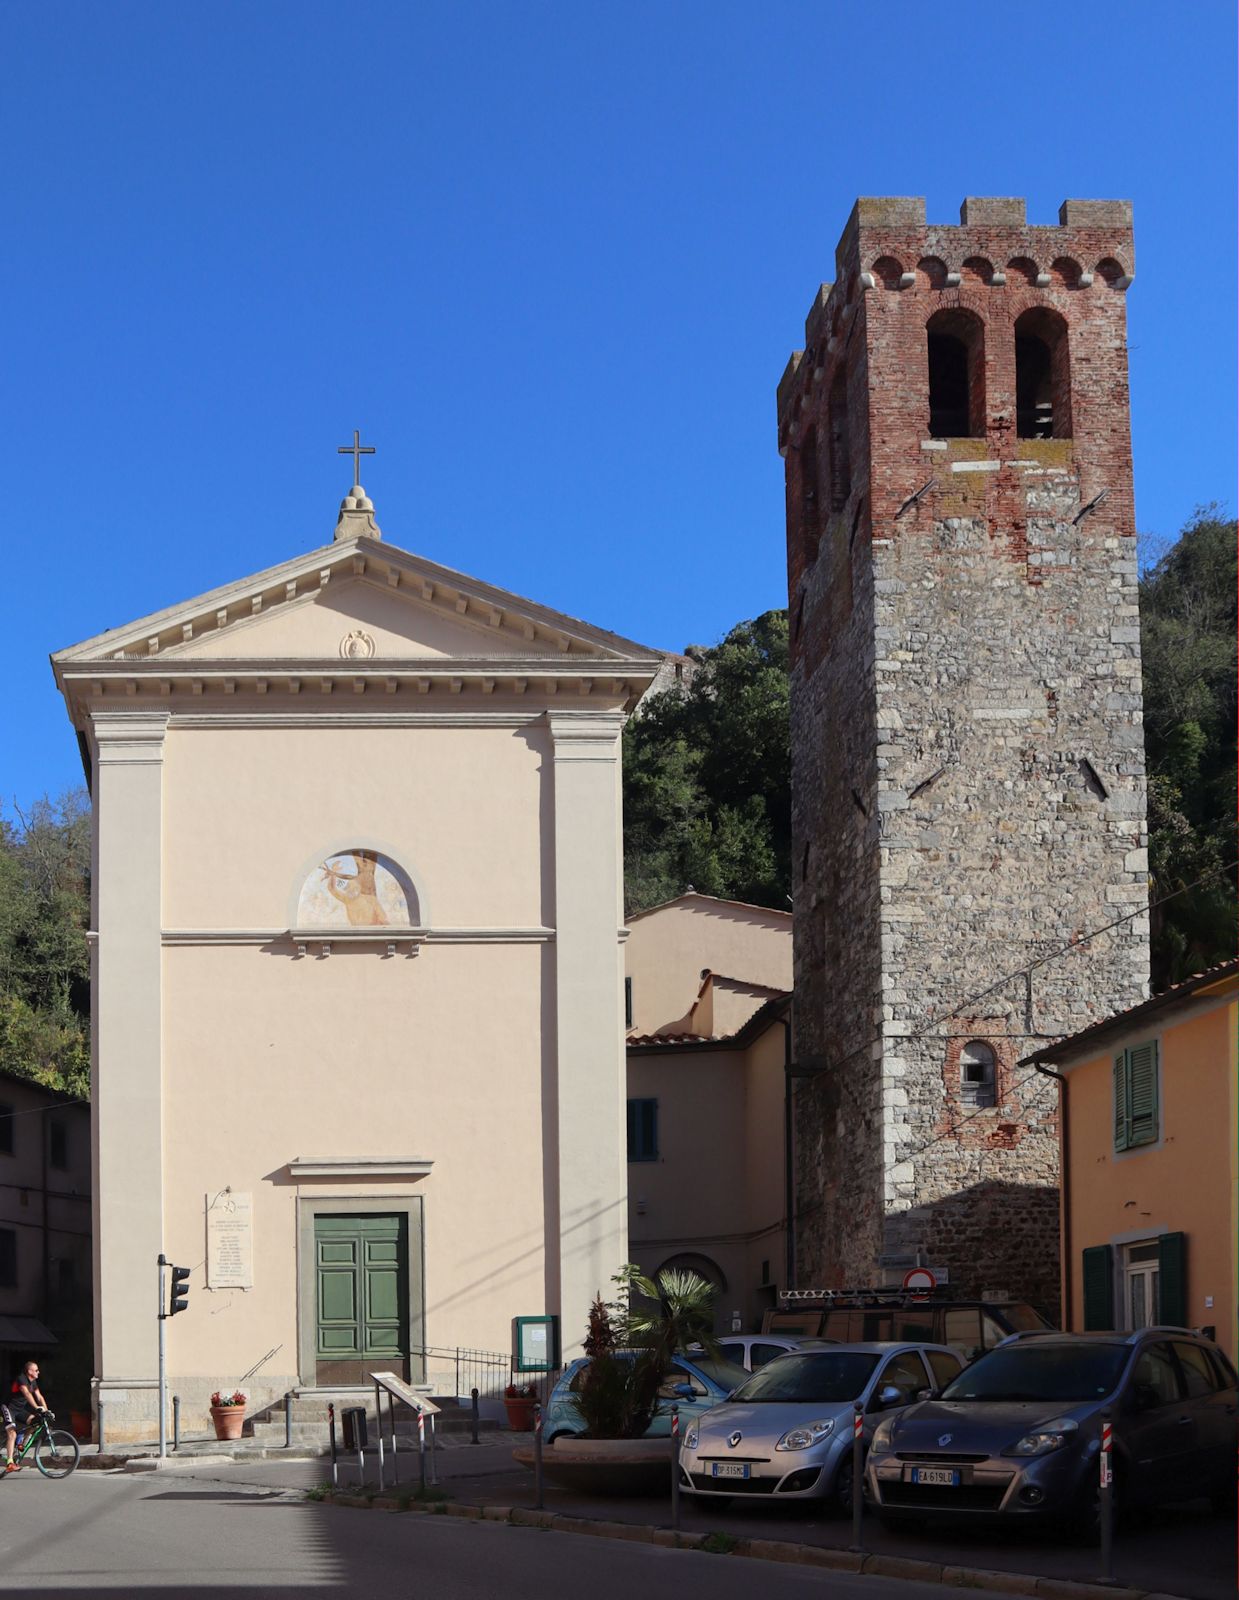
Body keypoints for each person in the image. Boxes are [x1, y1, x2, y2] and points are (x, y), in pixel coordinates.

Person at [1, 1361, 48, 1472]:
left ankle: (20, 1442)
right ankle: (10, 1463)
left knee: (36, 1423)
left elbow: (39, 1396)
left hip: (19, 1410)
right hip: (8, 1408)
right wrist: (37, 1407)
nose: (38, 1372)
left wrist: (46, 1410)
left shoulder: (33, 1382)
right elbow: (27, 1394)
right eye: (36, 1370)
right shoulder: (21, 1379)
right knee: (12, 1433)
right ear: (29, 1371)